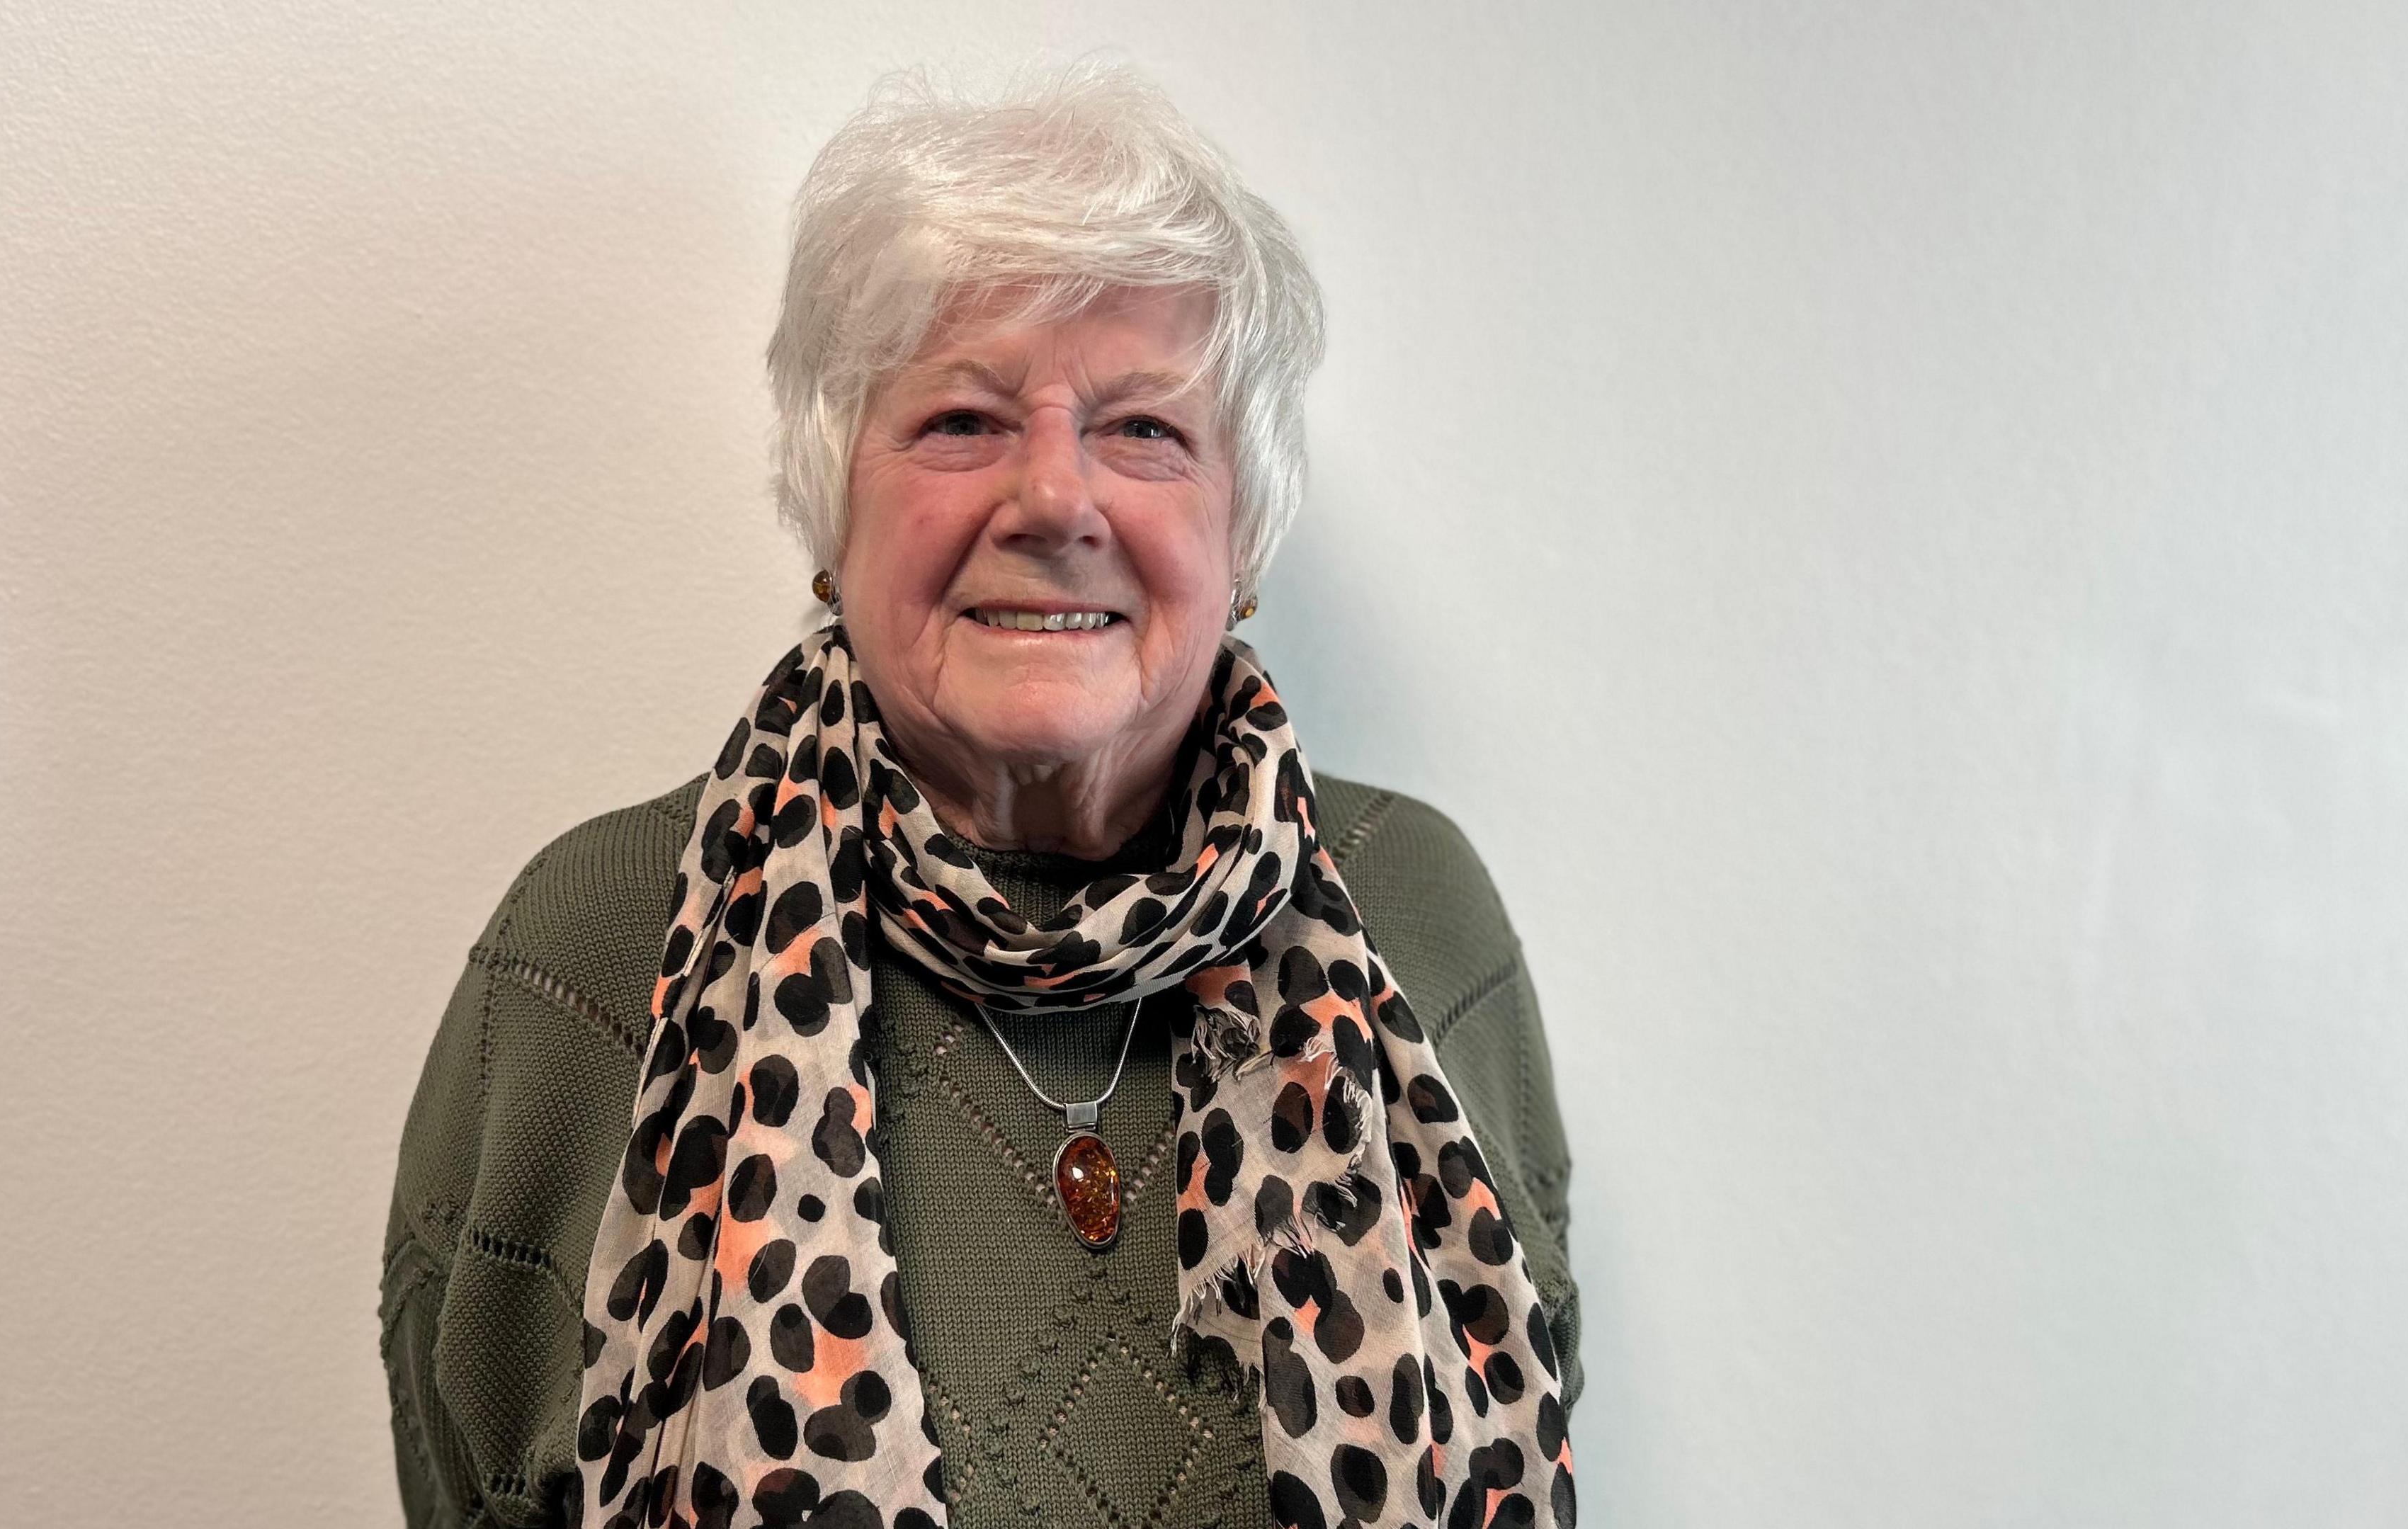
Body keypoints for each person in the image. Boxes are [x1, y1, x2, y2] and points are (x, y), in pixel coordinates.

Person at [380, 63, 1579, 1529]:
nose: (1056, 501)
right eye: (962, 422)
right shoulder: (591, 954)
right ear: (838, 502)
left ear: (1240, 527)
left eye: (1145, 428)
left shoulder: (1420, 916)